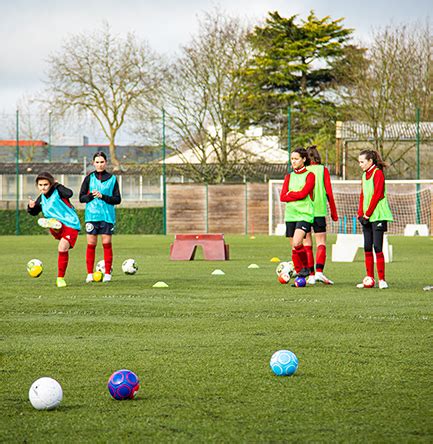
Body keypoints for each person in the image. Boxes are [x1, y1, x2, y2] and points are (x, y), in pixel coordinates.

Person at [27, 172, 81, 288]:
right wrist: (31, 207)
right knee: (57, 229)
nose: (43, 187)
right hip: (57, 225)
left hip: (70, 224)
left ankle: (60, 278)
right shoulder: (41, 198)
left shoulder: (58, 191)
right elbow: (34, 212)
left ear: (51, 184)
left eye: (46, 184)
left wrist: (57, 185)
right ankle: (55, 225)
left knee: (62, 248)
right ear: (37, 186)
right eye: (40, 185)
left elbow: (70, 193)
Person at [79, 151, 121, 283]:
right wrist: (91, 195)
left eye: (102, 162)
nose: (99, 164)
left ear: (106, 163)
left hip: (107, 216)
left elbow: (117, 199)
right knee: (91, 244)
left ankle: (108, 273)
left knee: (106, 243)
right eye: (97, 162)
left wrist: (103, 196)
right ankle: (89, 274)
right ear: (93, 163)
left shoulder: (113, 179)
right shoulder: (88, 178)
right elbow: (81, 198)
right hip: (91, 216)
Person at [357, 149, 393, 289]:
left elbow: (377, 195)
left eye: (362, 162)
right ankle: (369, 278)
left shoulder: (378, 173)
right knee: (367, 247)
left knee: (377, 246)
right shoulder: (364, 175)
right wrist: (360, 213)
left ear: (370, 161)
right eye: (359, 162)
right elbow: (363, 195)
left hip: (378, 215)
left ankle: (382, 280)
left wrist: (368, 214)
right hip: (366, 215)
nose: (360, 164)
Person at [303, 146, 338, 285]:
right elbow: (329, 192)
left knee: (307, 243)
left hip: (304, 212)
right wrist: (333, 213)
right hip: (319, 211)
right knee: (321, 242)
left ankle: (310, 275)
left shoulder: (302, 171)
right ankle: (319, 272)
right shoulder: (323, 170)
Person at [279, 147, 315, 280]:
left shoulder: (310, 175)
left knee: (297, 242)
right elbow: (283, 197)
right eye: (292, 159)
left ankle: (306, 269)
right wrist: (295, 195)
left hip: (304, 214)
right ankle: (300, 273)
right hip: (291, 214)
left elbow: (304, 193)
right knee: (294, 248)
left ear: (304, 159)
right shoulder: (289, 177)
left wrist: (291, 194)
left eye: (296, 159)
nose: (293, 161)